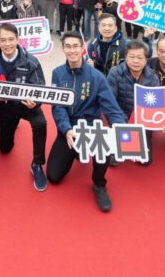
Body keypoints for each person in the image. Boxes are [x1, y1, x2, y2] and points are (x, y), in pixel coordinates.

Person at [48, 31, 126, 212]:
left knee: (104, 145)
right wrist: (66, 129)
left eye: (76, 46)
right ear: (62, 49)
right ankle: (75, 151)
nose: (72, 50)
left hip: (91, 127)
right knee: (53, 176)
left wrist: (121, 131)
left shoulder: (97, 76)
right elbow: (57, 106)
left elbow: (111, 108)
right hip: (69, 129)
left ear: (83, 48)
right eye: (68, 46)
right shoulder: (57, 74)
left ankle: (99, 184)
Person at [0, 23, 48, 190]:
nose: (7, 44)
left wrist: (35, 102)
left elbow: (41, 87)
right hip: (5, 106)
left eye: (11, 39)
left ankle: (37, 164)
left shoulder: (31, 61)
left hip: (27, 105)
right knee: (4, 149)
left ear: (18, 39)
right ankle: (12, 127)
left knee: (41, 123)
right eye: (3, 40)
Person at [107, 40, 160, 163]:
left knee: (145, 161)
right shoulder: (115, 73)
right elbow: (111, 103)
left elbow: (155, 106)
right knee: (114, 158)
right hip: (121, 118)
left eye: (140, 58)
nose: (135, 61)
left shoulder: (152, 77)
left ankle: (142, 139)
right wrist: (124, 122)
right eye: (132, 57)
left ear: (146, 60)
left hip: (142, 121)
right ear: (125, 57)